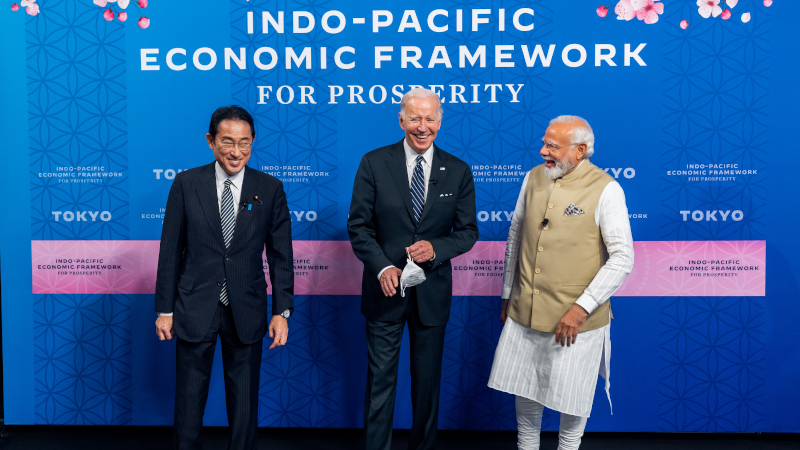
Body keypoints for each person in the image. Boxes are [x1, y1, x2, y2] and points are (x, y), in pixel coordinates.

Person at [488, 115, 634, 450]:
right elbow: (515, 236)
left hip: (575, 321)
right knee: (524, 391)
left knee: (573, 400)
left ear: (580, 150)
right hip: (524, 310)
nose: (542, 152)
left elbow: (622, 257)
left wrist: (581, 309)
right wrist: (508, 293)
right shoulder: (533, 178)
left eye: (552, 146)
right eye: (544, 143)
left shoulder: (607, 189)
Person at [154, 105, 294, 450]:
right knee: (188, 402)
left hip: (245, 307)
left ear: (253, 142)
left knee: (245, 405)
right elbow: (170, 250)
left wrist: (282, 311)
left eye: (244, 143)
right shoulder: (187, 184)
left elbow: (281, 255)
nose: (236, 151)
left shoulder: (270, 188)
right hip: (194, 305)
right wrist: (165, 309)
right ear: (210, 141)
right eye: (228, 142)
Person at [347, 88, 479, 450]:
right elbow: (359, 227)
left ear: (441, 120)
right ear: (401, 120)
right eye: (415, 118)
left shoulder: (457, 170)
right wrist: (381, 267)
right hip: (384, 292)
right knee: (380, 383)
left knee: (426, 386)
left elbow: (468, 232)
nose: (423, 127)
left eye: (431, 118)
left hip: (431, 295)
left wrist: (437, 247)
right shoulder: (374, 162)